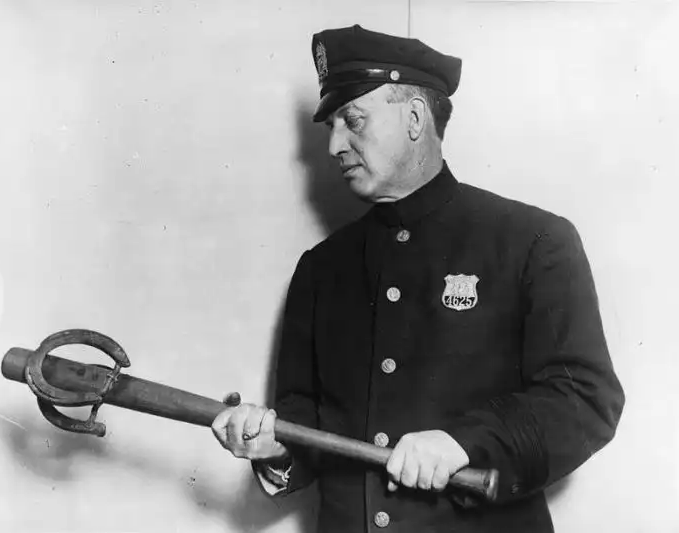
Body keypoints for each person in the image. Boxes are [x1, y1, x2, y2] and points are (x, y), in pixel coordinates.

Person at [212, 24, 624, 533]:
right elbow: (305, 420)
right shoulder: (321, 269)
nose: (335, 145)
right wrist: (275, 448)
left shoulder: (534, 241)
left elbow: (585, 398)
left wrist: (465, 444)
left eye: (352, 120)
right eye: (331, 127)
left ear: (414, 118)